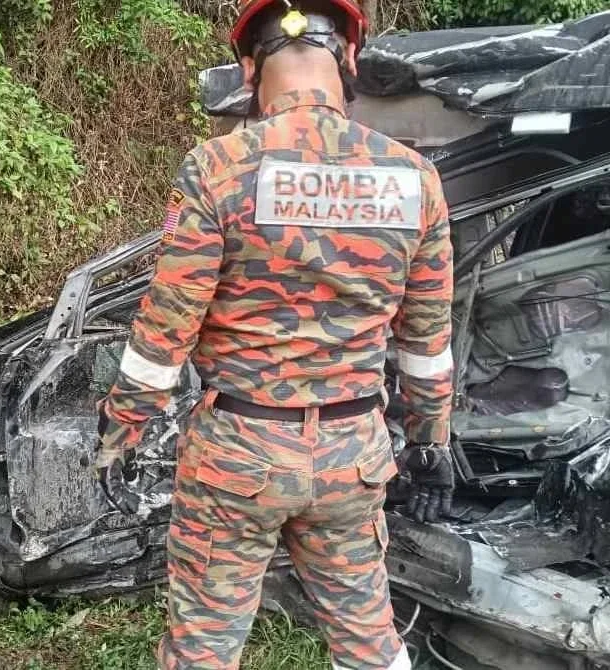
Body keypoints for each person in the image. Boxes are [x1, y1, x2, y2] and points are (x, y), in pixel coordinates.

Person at [94, 1, 455, 669]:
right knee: (369, 640)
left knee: (204, 647)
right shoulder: (415, 178)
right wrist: (432, 438)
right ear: (349, 59)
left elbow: (167, 327)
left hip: (239, 459)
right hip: (354, 456)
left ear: (247, 68)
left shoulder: (218, 167)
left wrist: (124, 425)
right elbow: (428, 342)